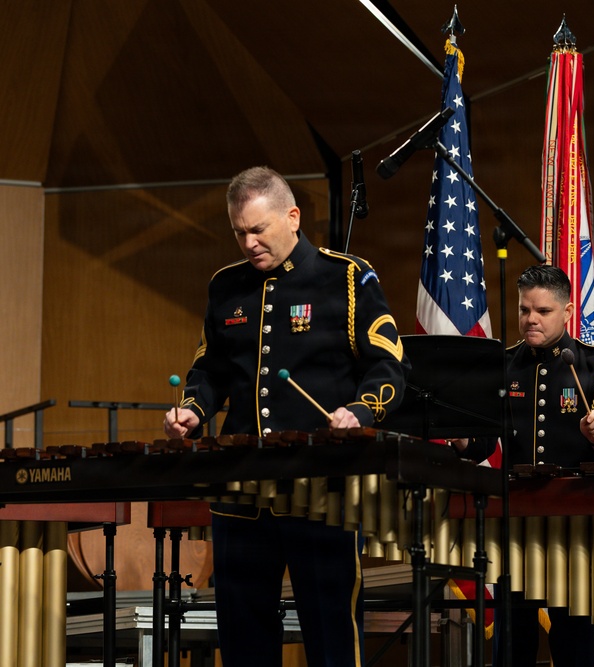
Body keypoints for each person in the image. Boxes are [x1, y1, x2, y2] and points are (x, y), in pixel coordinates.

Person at [163, 166, 410, 666]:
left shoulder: (346, 276)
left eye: (259, 229)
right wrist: (192, 409)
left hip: (320, 487)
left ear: (292, 217)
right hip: (241, 489)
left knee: (330, 631)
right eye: (240, 232)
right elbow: (209, 368)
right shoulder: (225, 286)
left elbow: (390, 364)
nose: (249, 242)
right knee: (243, 634)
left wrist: (361, 410)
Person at [454, 263, 594, 666]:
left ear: (567, 312)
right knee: (512, 642)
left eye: (543, 311)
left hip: (575, 520)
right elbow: (482, 439)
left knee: (572, 642)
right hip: (514, 518)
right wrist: (461, 437)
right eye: (523, 310)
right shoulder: (503, 364)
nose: (530, 319)